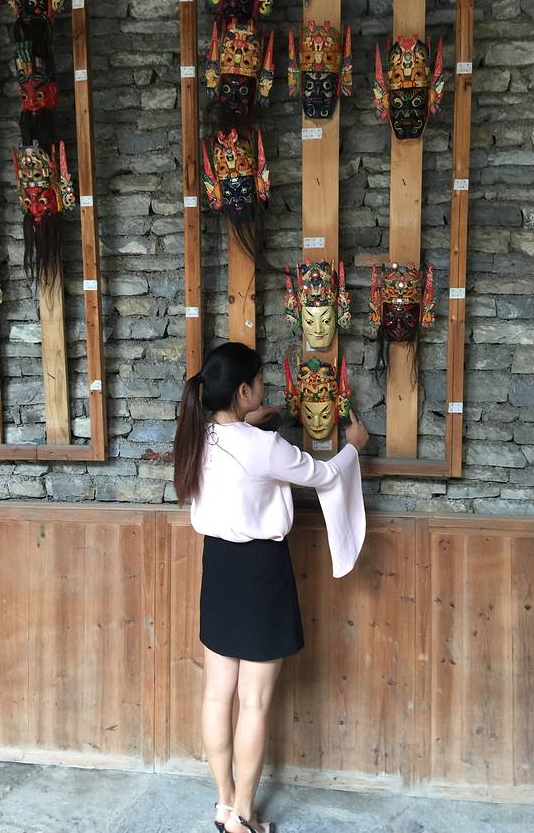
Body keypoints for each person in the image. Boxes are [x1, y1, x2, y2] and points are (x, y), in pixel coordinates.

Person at [174, 342, 368, 833]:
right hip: (261, 571)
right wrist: (353, 446)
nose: (265, 388)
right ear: (244, 390)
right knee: (254, 702)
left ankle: (223, 804)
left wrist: (249, 421)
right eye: (260, 382)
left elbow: (238, 447)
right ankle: (244, 816)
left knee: (217, 696)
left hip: (218, 568)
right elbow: (324, 475)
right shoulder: (266, 447)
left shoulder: (198, 436)